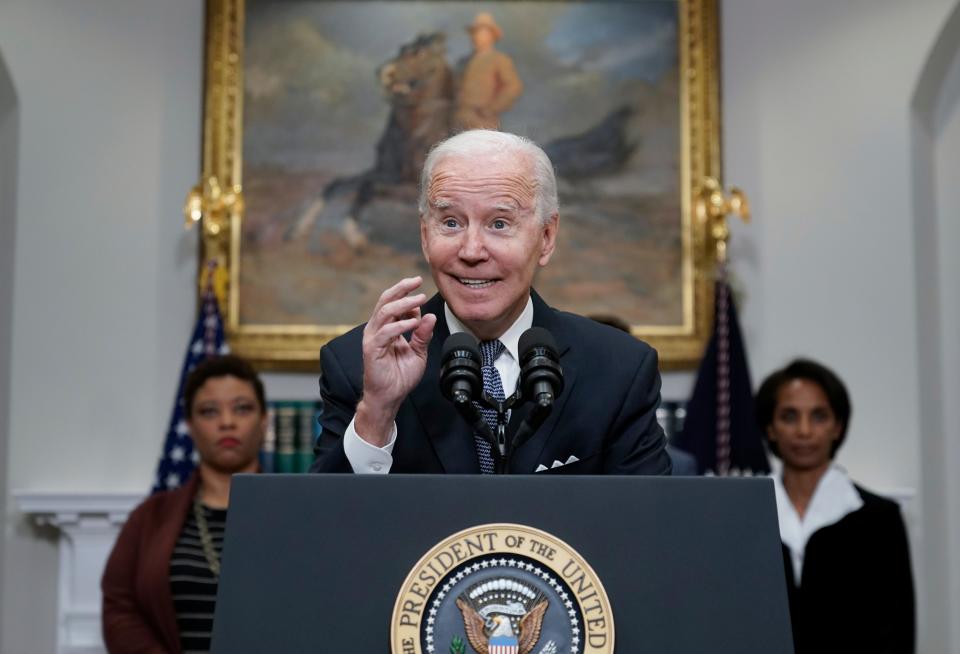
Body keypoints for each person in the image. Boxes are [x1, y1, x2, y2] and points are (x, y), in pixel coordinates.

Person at [312, 129, 671, 475]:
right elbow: (326, 527)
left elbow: (647, 525)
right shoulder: (355, 366)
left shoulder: (618, 369)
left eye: (499, 224)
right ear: (425, 236)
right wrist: (377, 411)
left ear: (546, 237)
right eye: (451, 222)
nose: (471, 251)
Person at [101, 355, 268, 653]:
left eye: (242, 408)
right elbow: (119, 607)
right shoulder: (150, 517)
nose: (227, 422)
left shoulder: (294, 511)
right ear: (190, 426)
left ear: (264, 421)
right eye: (209, 411)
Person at [755, 359, 914, 653]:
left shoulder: (879, 519)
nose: (804, 431)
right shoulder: (746, 518)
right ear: (770, 428)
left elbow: (897, 631)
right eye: (789, 416)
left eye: (819, 417)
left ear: (837, 427)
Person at [453, 13, 523, 130]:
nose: (476, 37)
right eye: (474, 33)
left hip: (483, 120)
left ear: (491, 36)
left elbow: (514, 87)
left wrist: (492, 108)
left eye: (481, 33)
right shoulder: (463, 62)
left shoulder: (499, 59)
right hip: (458, 120)